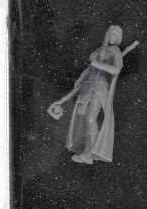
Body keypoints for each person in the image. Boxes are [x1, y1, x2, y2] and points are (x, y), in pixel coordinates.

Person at [48, 25, 124, 164]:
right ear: (107, 34)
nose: (112, 36)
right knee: (85, 119)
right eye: (111, 33)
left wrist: (98, 64)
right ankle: (87, 151)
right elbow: (89, 70)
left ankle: (89, 153)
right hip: (88, 86)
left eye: (116, 35)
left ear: (118, 38)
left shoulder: (115, 51)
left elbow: (116, 70)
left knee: (90, 119)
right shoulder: (98, 50)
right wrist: (80, 79)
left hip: (100, 88)